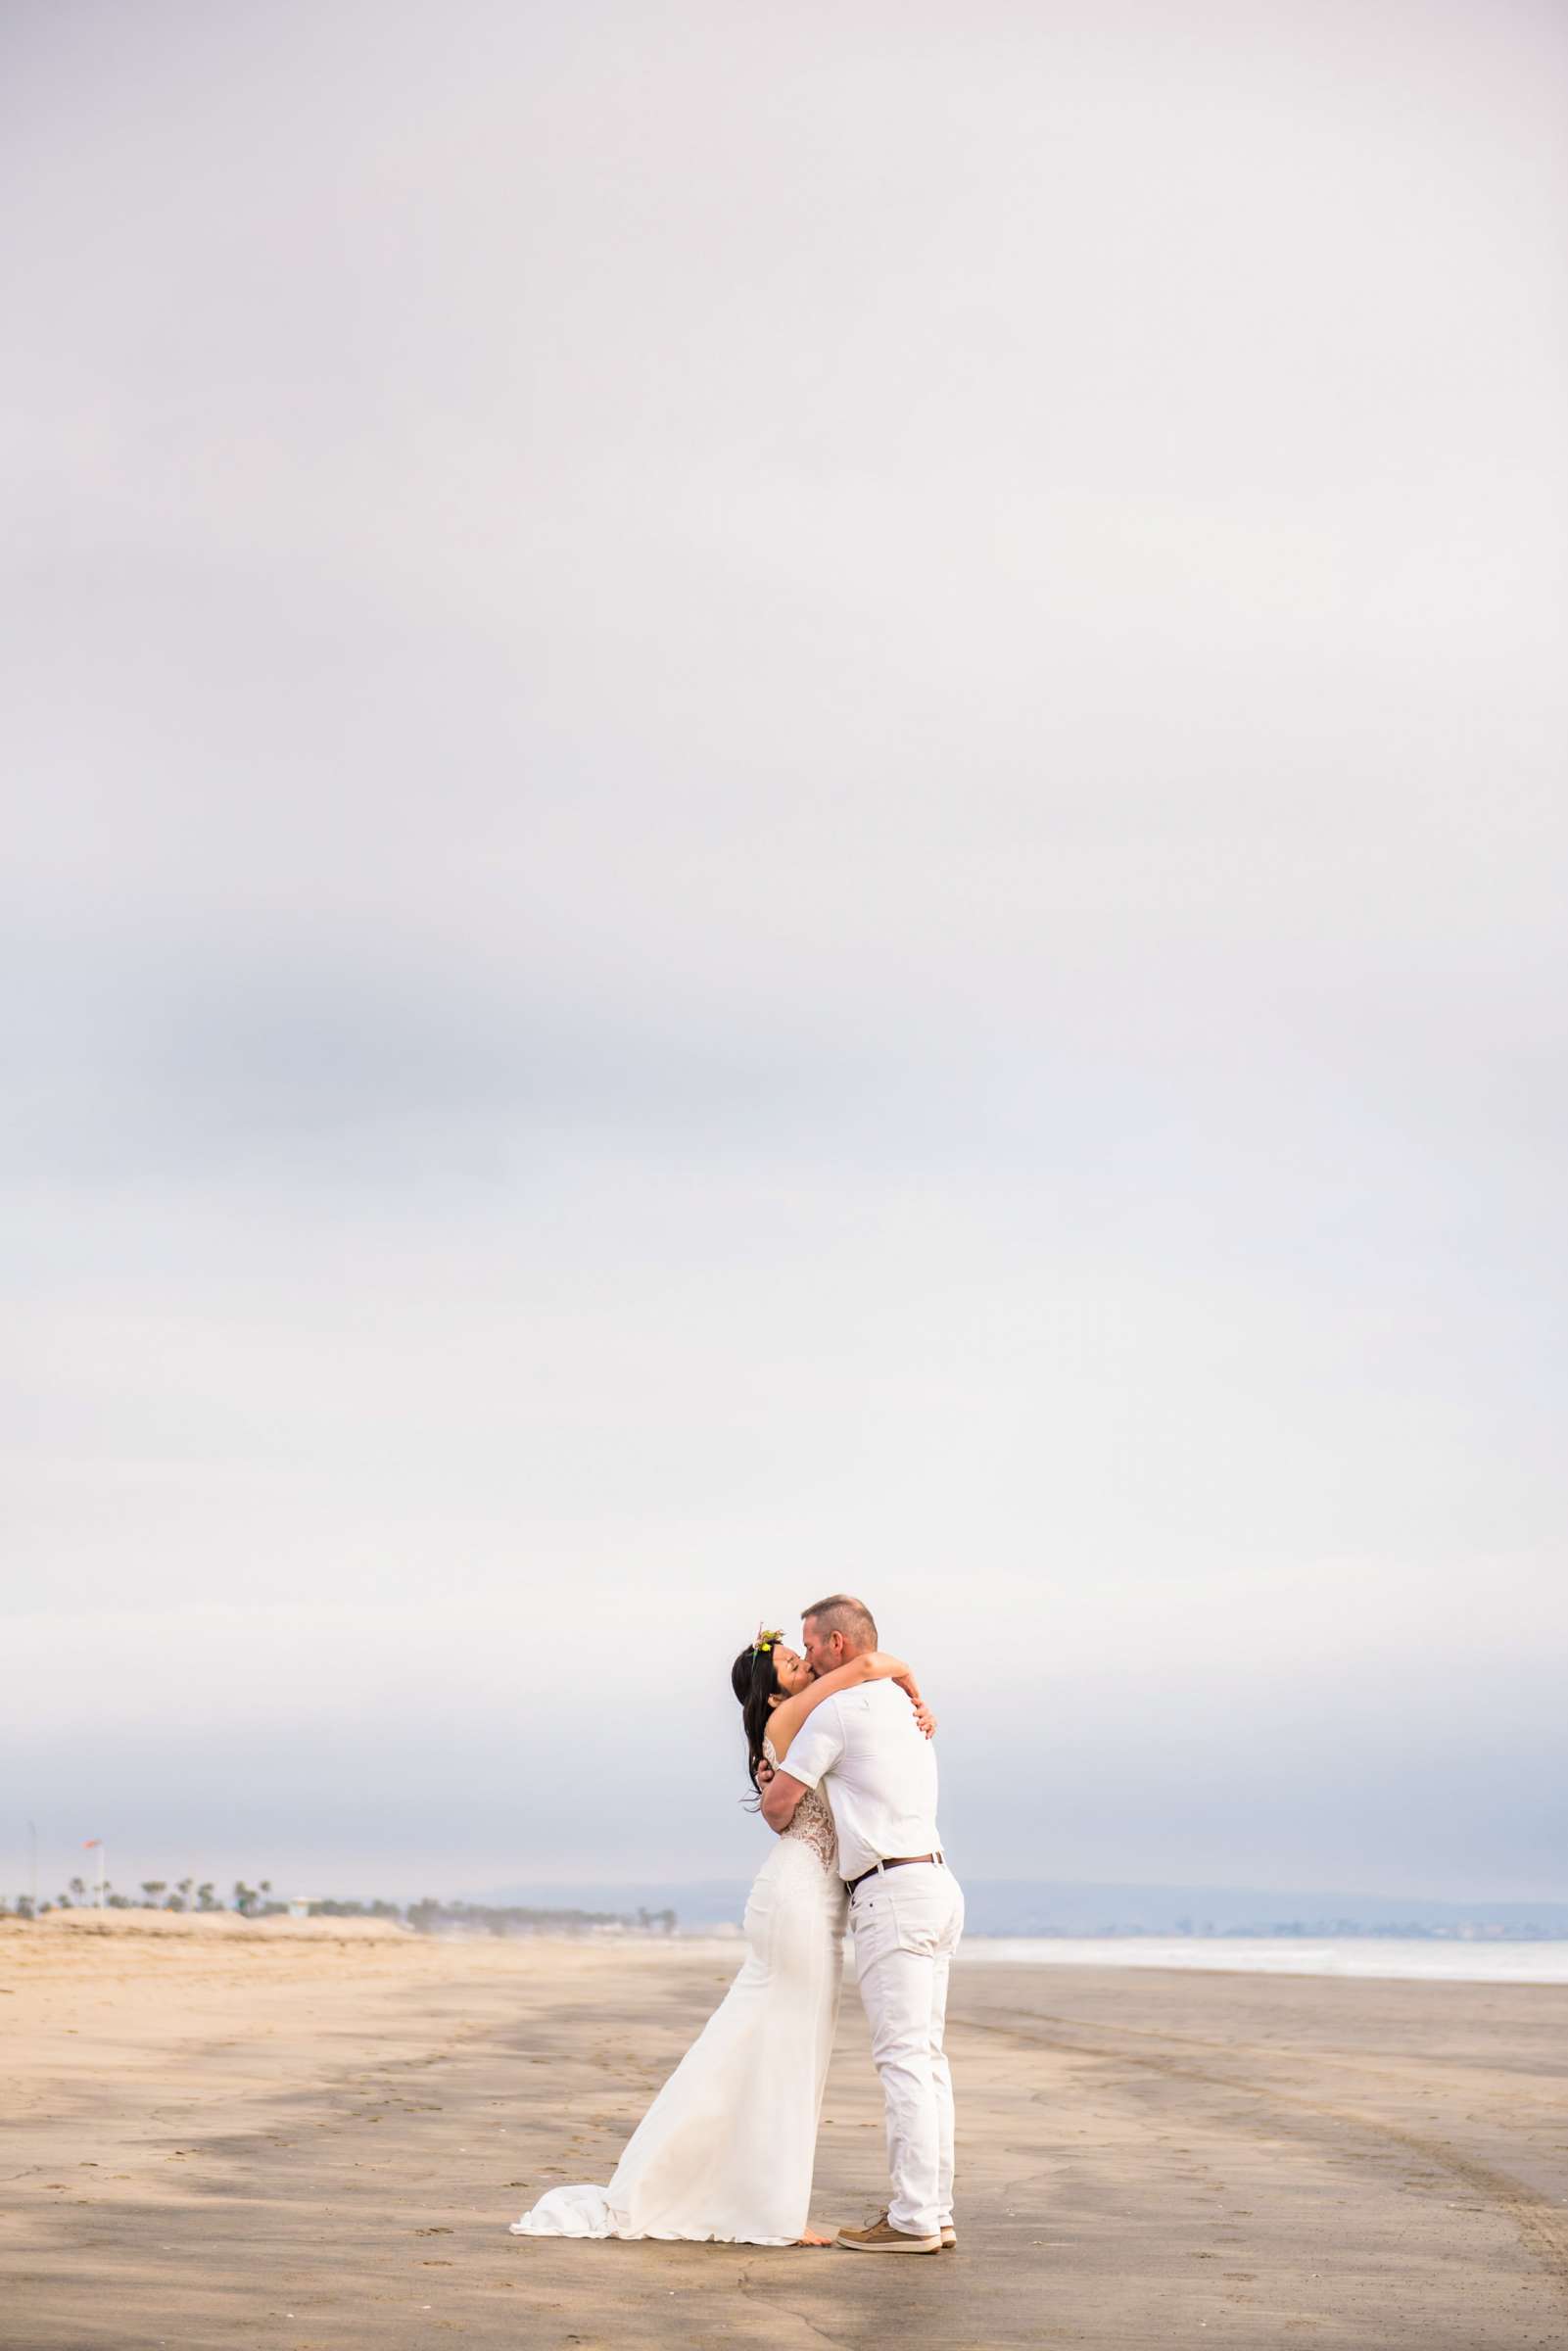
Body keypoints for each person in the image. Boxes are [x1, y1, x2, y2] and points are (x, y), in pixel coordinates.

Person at [508, 1625, 933, 2246]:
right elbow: (870, 1660)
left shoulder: (802, 1722)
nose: (807, 1665)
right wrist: (915, 1689)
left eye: (804, 1655)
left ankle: (751, 2198)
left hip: (807, 1897)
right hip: (799, 1901)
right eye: (793, 1663)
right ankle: (770, 2210)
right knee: (784, 2046)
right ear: (770, 1694)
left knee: (767, 2042)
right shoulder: (793, 1716)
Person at [762, 1593, 965, 2255]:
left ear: (838, 1648)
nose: (808, 1657)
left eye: (811, 1645)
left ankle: (913, 2220)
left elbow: (779, 1805)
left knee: (904, 2060)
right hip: (935, 1882)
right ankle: (933, 2210)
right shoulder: (905, 1713)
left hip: (892, 1893)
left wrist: (770, 1785)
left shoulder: (837, 1713)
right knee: (926, 2060)